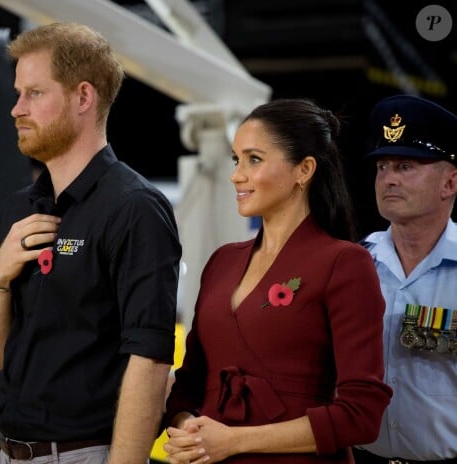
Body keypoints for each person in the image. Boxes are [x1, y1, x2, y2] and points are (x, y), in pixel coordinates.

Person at [0, 22, 182, 464]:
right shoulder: (18, 210)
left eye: (35, 94)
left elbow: (151, 364)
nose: (16, 109)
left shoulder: (134, 208)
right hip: (9, 453)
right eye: (18, 92)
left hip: (87, 453)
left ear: (84, 97)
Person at [162, 98, 393, 464]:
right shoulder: (222, 261)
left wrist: (234, 441)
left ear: (304, 169)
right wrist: (187, 427)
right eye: (236, 159)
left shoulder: (345, 263)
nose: (237, 174)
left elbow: (361, 415)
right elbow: (189, 383)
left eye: (254, 159)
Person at [353, 95, 457, 464]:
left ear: (450, 183)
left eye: (406, 166)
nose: (389, 179)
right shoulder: (353, 263)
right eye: (382, 167)